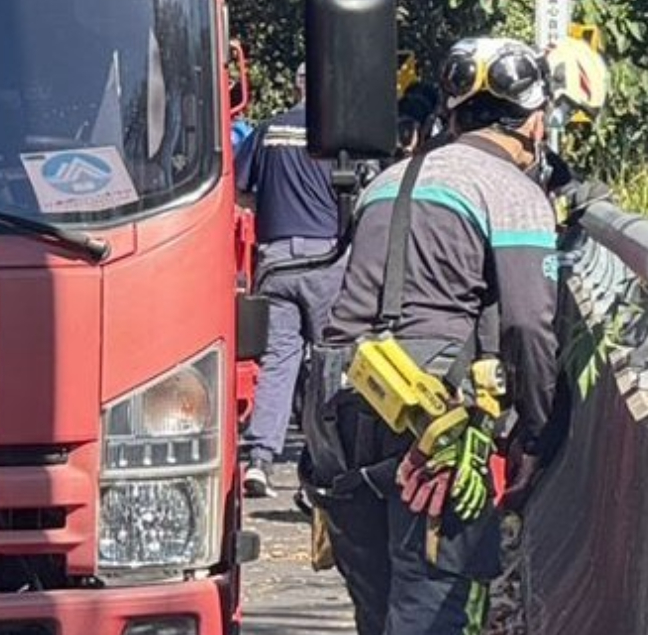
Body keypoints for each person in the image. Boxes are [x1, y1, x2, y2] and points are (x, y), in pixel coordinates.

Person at [298, 35, 607, 635]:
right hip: (429, 416)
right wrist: (535, 436)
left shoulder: (388, 180)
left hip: (337, 411)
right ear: (536, 122)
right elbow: (528, 326)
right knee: (430, 604)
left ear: (453, 114)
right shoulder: (513, 192)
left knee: (376, 609)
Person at [236, 62, 345, 497]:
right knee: (328, 361)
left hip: (276, 260)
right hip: (326, 259)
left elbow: (241, 191)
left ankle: (260, 459)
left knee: (279, 360)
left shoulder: (268, 131)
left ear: (297, 86)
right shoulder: (339, 136)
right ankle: (326, 465)